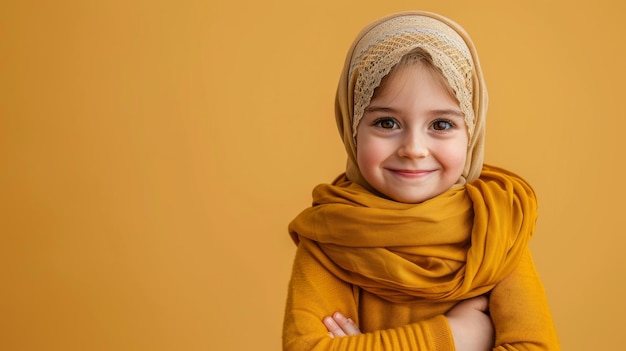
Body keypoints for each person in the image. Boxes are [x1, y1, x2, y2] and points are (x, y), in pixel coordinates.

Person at [283, 10, 560, 351]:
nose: (414, 149)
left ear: (471, 134)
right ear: (352, 128)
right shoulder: (331, 234)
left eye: (441, 125)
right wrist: (455, 337)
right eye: (387, 123)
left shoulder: (496, 227)